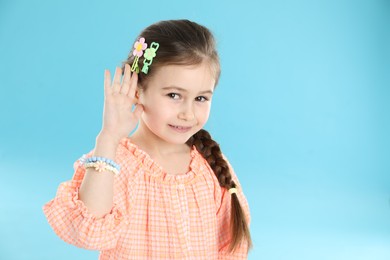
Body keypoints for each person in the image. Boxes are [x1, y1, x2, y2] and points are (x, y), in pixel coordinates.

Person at [43, 19, 252, 259]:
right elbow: (87, 232)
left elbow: (230, 247)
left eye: (201, 98)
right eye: (174, 95)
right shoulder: (115, 165)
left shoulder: (210, 166)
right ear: (137, 89)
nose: (188, 113)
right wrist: (109, 136)